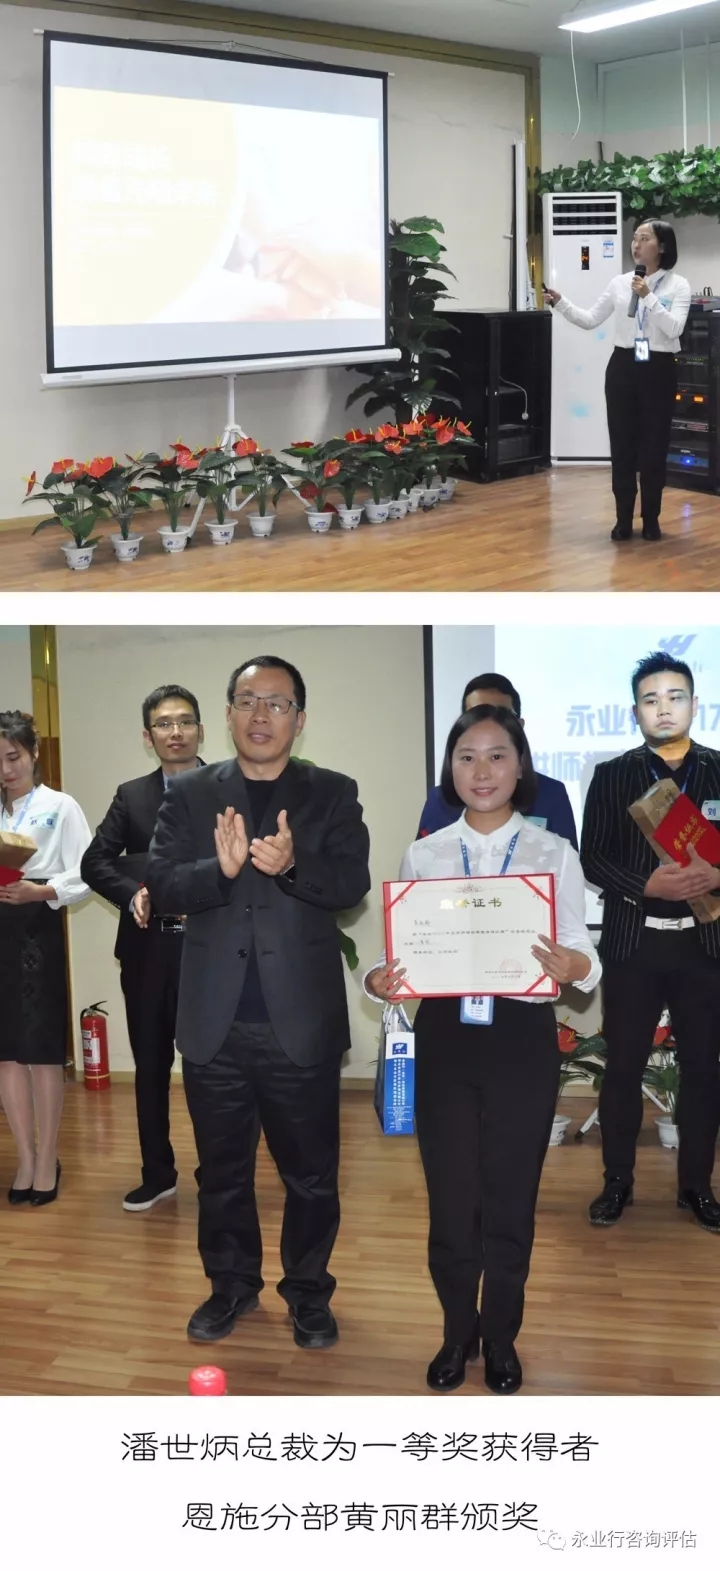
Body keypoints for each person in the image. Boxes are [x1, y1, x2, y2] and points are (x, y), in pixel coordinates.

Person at [366, 705, 600, 1395]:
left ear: (520, 765)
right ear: (451, 769)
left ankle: (500, 1335)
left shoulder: (553, 852)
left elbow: (582, 952)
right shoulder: (427, 852)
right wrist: (378, 977)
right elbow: (397, 951)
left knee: (510, 1198)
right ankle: (455, 1331)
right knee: (451, 1198)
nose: (482, 770)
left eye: (498, 755)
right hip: (444, 1037)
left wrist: (575, 966)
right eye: (467, 756)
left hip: (521, 1039)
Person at [145, 656, 371, 1349]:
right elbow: (162, 885)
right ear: (228, 714)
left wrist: (293, 865)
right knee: (222, 1175)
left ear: (299, 719)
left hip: (299, 1024)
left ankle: (308, 1292)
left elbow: (352, 884)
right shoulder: (190, 794)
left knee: (311, 1176)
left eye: (277, 703)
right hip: (214, 1024)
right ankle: (231, 1287)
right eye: (247, 701)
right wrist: (219, 870)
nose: (261, 715)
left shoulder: (331, 792)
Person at [581, 650, 720, 1233]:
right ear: (635, 710)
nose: (664, 708)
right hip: (634, 945)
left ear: (695, 704)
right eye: (651, 699)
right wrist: (646, 883)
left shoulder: (718, 769)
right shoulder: (613, 775)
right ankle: (617, 1182)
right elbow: (592, 856)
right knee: (622, 1068)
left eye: (675, 697)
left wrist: (717, 874)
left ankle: (696, 1187)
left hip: (703, 947)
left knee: (704, 1070)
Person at [81, 685, 205, 1212]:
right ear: (148, 735)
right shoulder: (131, 795)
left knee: (208, 1069)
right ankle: (158, 1173)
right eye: (163, 723)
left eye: (184, 721)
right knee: (150, 1067)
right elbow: (94, 862)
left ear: (201, 729)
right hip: (148, 952)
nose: (175, 732)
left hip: (209, 953)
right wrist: (134, 891)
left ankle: (218, 1175)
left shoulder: (229, 788)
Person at [544, 219, 691, 543]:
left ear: (662, 246)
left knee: (654, 445)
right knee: (622, 445)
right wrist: (561, 302)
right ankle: (623, 519)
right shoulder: (619, 283)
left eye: (645, 238)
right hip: (623, 366)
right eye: (635, 238)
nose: (636, 244)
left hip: (658, 368)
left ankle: (651, 519)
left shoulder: (678, 285)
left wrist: (648, 296)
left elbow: (674, 329)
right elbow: (590, 319)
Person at [0, 711, 91, 1206]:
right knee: (6, 1052)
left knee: (40, 1048)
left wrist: (43, 890)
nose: (6, 769)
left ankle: (49, 1154)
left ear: (33, 753)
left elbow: (89, 870)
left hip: (37, 930)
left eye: (13, 757)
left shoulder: (60, 806)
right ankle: (25, 1157)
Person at [420, 672, 577, 846]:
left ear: (519, 726)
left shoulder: (552, 794)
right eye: (478, 714)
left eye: (502, 716)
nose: (489, 723)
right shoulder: (439, 800)